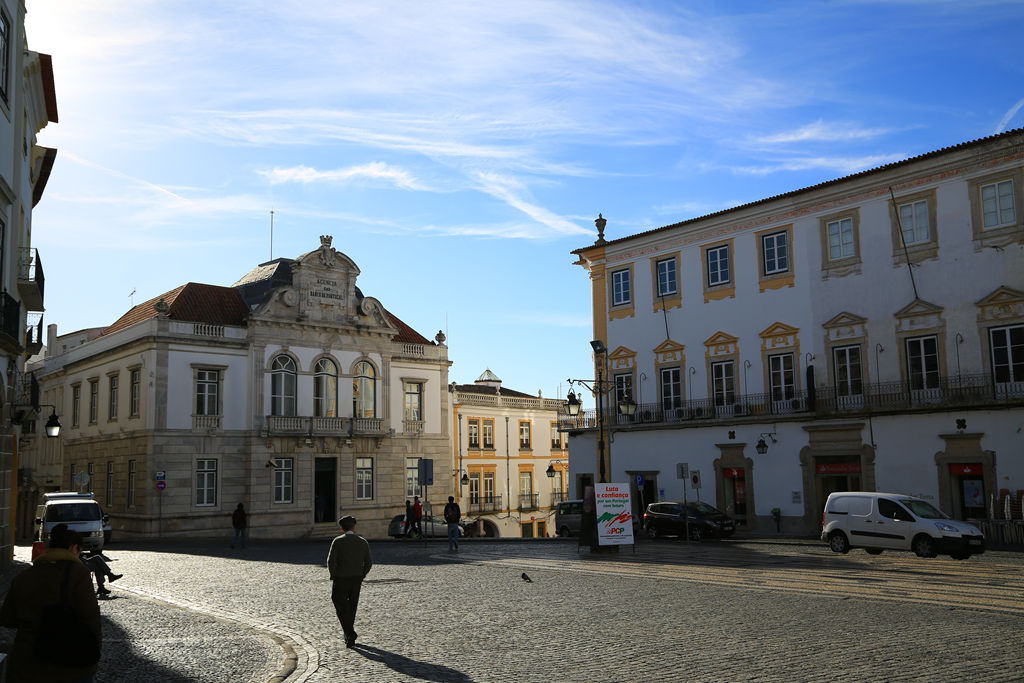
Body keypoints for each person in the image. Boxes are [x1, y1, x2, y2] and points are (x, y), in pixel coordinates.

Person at [0, 523, 102, 683]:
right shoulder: (78, 574)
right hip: (69, 666)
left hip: (27, 664)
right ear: (74, 548)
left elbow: (7, 618)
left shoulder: (24, 576)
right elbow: (91, 619)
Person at [326, 515, 372, 648]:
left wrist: (333, 575)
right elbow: (368, 562)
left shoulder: (338, 541)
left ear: (342, 528)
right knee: (352, 606)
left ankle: (349, 633)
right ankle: (349, 634)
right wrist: (362, 575)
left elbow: (331, 561)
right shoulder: (362, 541)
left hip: (341, 578)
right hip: (356, 578)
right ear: (354, 527)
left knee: (340, 605)